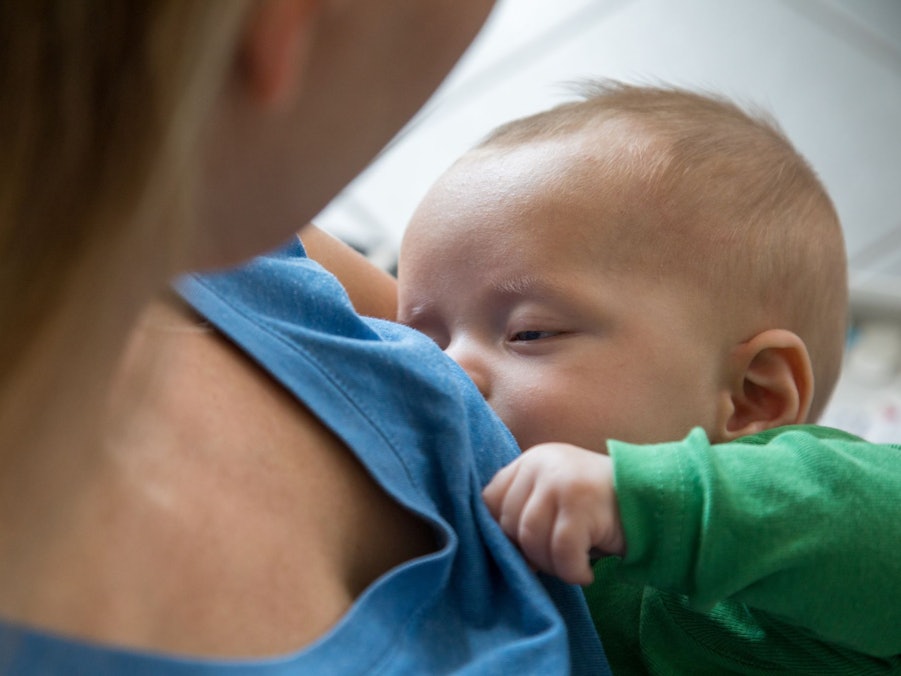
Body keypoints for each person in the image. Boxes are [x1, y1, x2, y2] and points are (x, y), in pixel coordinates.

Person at [0, 2, 608, 674]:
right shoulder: (214, 206)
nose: (459, 368)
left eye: (530, 334)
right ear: (284, 23)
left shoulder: (219, 216)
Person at [395, 80, 901, 673]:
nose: (448, 371)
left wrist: (644, 501)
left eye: (531, 333)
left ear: (750, 397)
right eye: (423, 343)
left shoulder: (766, 569)